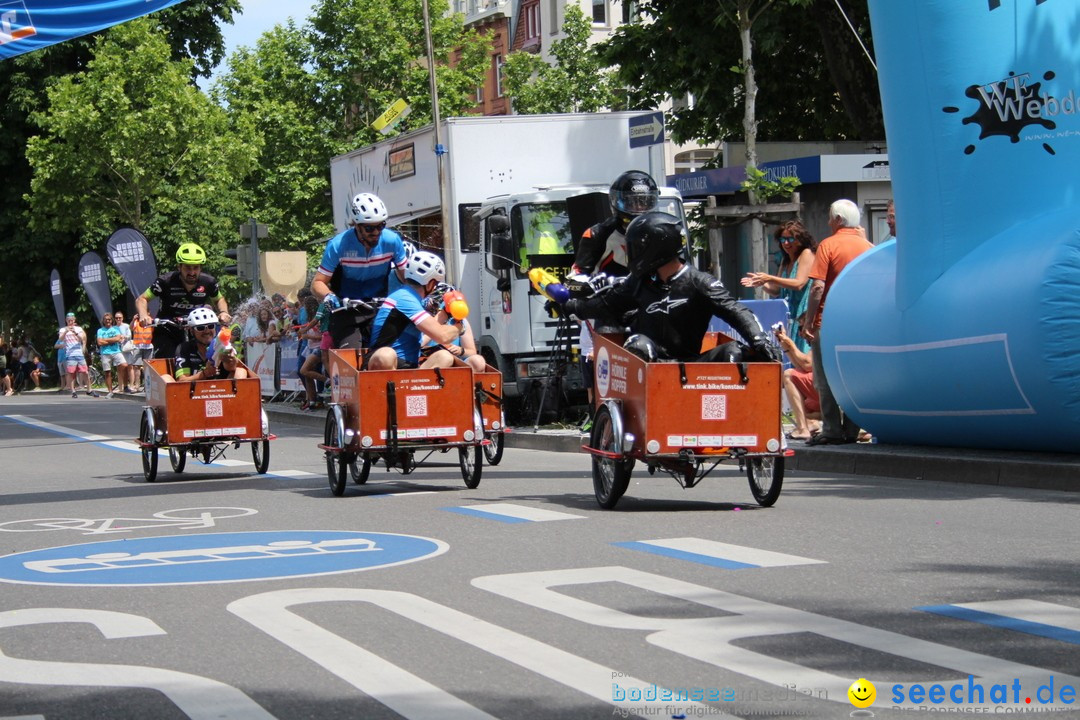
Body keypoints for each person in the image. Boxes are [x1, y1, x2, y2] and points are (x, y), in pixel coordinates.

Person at [562, 212, 779, 364]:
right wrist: (571, 306)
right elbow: (605, 305)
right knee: (638, 345)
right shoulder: (638, 282)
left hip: (691, 367)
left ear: (656, 249)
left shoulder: (699, 282)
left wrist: (760, 341)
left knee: (736, 351)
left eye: (638, 247)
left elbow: (736, 311)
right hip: (649, 368)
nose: (633, 253)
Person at [800, 199, 874, 446]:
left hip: (829, 320)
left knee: (824, 376)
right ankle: (853, 429)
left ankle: (831, 429)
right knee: (854, 377)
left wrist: (809, 321)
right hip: (860, 323)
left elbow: (818, 287)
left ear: (839, 220)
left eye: (830, 218)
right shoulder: (869, 246)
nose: (828, 222)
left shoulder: (828, 245)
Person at [310, 192, 408, 349]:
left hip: (378, 306)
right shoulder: (338, 245)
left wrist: (421, 295)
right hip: (347, 309)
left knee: (387, 353)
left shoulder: (392, 241)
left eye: (381, 226)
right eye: (369, 228)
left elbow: (407, 278)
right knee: (351, 357)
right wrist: (329, 297)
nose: (376, 232)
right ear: (355, 225)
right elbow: (318, 283)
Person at [367, 251, 464, 371]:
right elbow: (442, 336)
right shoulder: (404, 298)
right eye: (436, 283)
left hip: (408, 368)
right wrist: (459, 327)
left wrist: (445, 314)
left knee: (445, 357)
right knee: (386, 355)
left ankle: (417, 387)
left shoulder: (414, 300)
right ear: (430, 283)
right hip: (384, 365)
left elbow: (422, 340)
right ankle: (394, 388)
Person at [136, 243, 231, 359]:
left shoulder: (208, 282)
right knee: (166, 359)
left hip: (196, 329)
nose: (192, 273)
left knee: (208, 357)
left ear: (200, 267)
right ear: (179, 267)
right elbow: (142, 299)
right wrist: (143, 315)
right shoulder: (166, 281)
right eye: (187, 268)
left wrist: (223, 312)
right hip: (167, 329)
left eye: (195, 268)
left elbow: (219, 299)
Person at [741, 219, 817, 352]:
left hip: (804, 316)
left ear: (800, 239)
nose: (786, 243)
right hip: (790, 319)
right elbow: (776, 290)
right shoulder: (785, 260)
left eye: (790, 239)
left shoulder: (806, 254)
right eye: (783, 240)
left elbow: (799, 283)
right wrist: (760, 283)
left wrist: (769, 277)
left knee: (804, 358)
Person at [170, 307, 249, 383]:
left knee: (241, 372)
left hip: (221, 392)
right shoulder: (184, 348)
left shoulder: (221, 344)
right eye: (200, 328)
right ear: (191, 331)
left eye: (210, 326)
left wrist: (230, 359)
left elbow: (231, 367)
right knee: (166, 377)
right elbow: (181, 381)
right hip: (193, 393)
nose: (207, 331)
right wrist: (204, 374)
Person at [420, 283, 486, 372]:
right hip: (430, 360)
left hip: (455, 361)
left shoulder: (460, 320)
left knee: (478, 361)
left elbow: (472, 351)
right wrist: (437, 323)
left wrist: (461, 351)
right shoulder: (422, 319)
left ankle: (467, 384)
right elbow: (418, 345)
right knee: (444, 357)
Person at [774, 323, 820, 441]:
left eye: (801, 328)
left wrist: (790, 343)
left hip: (829, 390)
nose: (800, 333)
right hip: (827, 389)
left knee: (789, 374)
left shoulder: (820, 336)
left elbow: (807, 364)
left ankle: (802, 428)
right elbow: (800, 365)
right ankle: (810, 422)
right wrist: (785, 345)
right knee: (797, 376)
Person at [56, 313, 97, 398]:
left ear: (74, 320)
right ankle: (73, 391)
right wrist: (66, 331)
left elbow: (82, 339)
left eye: (72, 320)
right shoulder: (63, 330)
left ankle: (89, 390)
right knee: (71, 373)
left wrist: (75, 332)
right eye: (69, 320)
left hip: (79, 353)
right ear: (66, 321)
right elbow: (60, 339)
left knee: (85, 371)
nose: (70, 322)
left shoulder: (78, 329)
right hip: (70, 354)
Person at [95, 312, 128, 398]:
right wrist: (112, 340)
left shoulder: (116, 329)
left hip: (116, 351)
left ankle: (125, 386)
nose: (108, 321)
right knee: (107, 372)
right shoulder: (100, 330)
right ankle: (110, 391)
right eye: (106, 320)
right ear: (104, 321)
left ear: (111, 320)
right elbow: (99, 342)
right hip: (105, 353)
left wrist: (105, 340)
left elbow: (118, 338)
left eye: (109, 319)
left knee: (125, 365)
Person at [113, 310, 136, 393]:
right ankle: (120, 387)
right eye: (116, 318)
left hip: (126, 348)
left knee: (130, 367)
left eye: (120, 318)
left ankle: (131, 386)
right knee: (119, 368)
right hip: (118, 349)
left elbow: (130, 335)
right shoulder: (113, 328)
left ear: (122, 318)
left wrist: (123, 337)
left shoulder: (126, 326)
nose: (118, 319)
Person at [131, 313, 154, 391]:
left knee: (147, 367)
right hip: (137, 346)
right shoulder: (136, 321)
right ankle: (137, 386)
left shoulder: (151, 321)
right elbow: (131, 328)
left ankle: (147, 385)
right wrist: (133, 319)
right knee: (136, 366)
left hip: (148, 346)